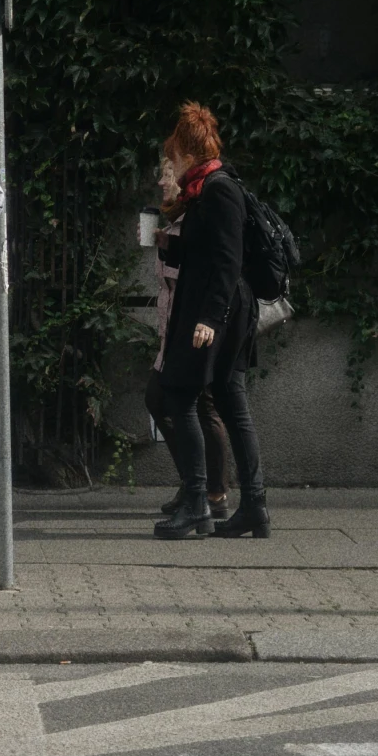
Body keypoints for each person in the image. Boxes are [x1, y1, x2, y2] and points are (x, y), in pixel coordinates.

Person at [150, 101, 270, 541]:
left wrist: (210, 319)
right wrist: (171, 244)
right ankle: (253, 506)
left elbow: (227, 261)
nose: (171, 164)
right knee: (231, 404)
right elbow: (206, 255)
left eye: (174, 154)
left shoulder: (219, 189)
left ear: (186, 152)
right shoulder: (208, 188)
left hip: (217, 310)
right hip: (221, 308)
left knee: (180, 396)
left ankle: (199, 503)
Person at [142, 157, 232, 529]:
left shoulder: (195, 219)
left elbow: (211, 270)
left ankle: (213, 494)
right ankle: (196, 487)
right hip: (174, 330)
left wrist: (205, 321)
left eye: (166, 174)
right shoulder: (177, 223)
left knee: (201, 405)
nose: (162, 182)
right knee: (161, 399)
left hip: (194, 330)